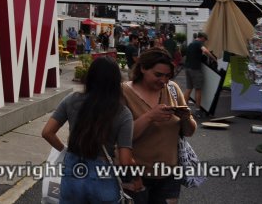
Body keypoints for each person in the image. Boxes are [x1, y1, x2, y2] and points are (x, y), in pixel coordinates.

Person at [42, 57, 139, 203]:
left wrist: (65, 151)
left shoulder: (72, 99)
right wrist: (137, 177)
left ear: (89, 77)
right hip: (102, 176)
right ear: (117, 82)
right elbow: (125, 160)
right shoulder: (123, 113)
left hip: (73, 170)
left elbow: (47, 132)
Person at [122, 48, 197, 204]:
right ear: (143, 68)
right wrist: (150, 117)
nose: (163, 80)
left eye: (167, 76)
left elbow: (189, 132)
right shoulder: (123, 92)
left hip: (170, 176)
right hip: (135, 175)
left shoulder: (173, 89)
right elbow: (121, 138)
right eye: (158, 75)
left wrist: (185, 118)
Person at [184, 32, 213, 115]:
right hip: (195, 69)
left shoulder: (191, 44)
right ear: (202, 38)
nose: (205, 41)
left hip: (187, 68)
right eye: (205, 39)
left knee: (189, 88)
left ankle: (183, 108)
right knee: (198, 89)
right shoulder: (199, 43)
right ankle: (197, 110)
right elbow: (205, 51)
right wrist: (213, 59)